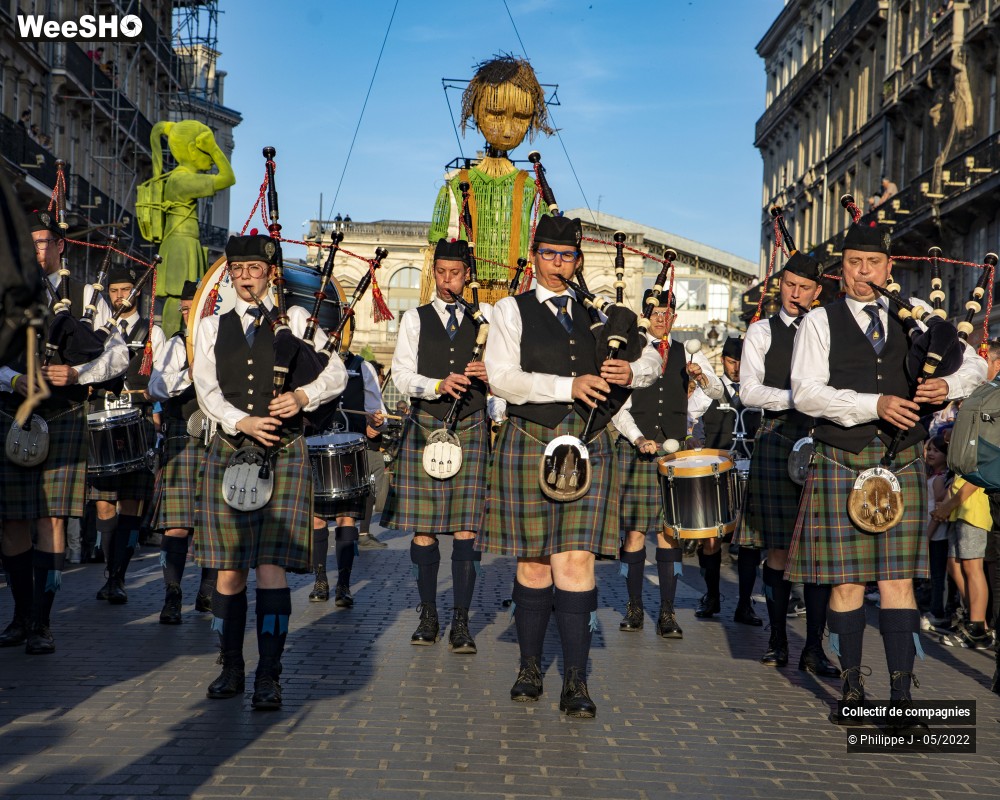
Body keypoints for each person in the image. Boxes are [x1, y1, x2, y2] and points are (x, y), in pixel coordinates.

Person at [787, 220, 985, 728]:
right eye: (853, 263)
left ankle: (901, 702)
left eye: (872, 263)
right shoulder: (819, 322)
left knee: (899, 581)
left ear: (890, 267)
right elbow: (806, 393)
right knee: (847, 582)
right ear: (840, 271)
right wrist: (873, 402)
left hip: (901, 459)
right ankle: (852, 693)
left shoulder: (915, 317)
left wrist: (945, 386)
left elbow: (976, 368)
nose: (863, 272)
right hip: (840, 458)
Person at [480, 215, 662, 718]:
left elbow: (653, 363)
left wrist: (631, 370)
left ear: (578, 261)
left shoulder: (603, 314)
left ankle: (576, 680)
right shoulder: (508, 310)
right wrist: (569, 386)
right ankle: (530, 667)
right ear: (534, 258)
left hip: (590, 442)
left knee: (576, 560)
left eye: (566, 256)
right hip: (529, 437)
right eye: (548, 255)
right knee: (535, 561)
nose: (557, 264)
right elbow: (502, 378)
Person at [192, 233, 347, 709]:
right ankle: (232, 666)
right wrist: (243, 421)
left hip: (285, 451)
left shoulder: (297, 320)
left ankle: (269, 674)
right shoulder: (212, 327)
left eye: (254, 270)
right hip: (231, 450)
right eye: (236, 270)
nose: (244, 278)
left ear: (269, 274)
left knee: (270, 569)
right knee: (228, 573)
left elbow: (336, 372)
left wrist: (302, 397)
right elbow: (206, 389)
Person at [0, 210, 128, 654]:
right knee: (12, 520)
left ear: (59, 246)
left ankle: (41, 621)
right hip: (12, 412)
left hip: (62, 414)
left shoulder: (88, 295)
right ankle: (19, 615)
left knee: (51, 518)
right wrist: (12, 379)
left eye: (41, 242)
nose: (34, 250)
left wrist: (77, 372)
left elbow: (118, 357)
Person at [381, 238, 500, 654]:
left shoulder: (487, 319)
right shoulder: (416, 318)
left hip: (470, 425)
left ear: (468, 275)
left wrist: (491, 379)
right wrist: (437, 384)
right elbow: (400, 374)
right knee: (425, 528)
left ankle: (462, 623)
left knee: (468, 529)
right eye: (441, 273)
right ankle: (429, 614)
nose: (447, 281)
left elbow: (505, 378)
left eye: (455, 273)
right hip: (427, 423)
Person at [737, 252, 838, 675]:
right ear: (780, 284)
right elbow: (749, 392)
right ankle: (778, 640)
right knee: (778, 547)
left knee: (820, 551)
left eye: (805, 288)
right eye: (789, 285)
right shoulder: (761, 331)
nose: (795, 294)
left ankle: (814, 647)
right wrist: (803, 398)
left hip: (825, 441)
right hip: (778, 438)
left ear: (818, 291)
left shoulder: (832, 329)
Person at [613, 292, 722, 639]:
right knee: (633, 534)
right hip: (637, 452)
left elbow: (718, 392)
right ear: (645, 316)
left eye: (667, 312)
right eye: (655, 312)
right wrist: (637, 439)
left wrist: (700, 377)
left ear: (674, 317)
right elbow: (618, 408)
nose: (661, 318)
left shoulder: (687, 352)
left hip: (674, 460)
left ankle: (668, 613)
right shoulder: (633, 351)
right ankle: (634, 608)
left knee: (669, 535)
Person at [88, 265, 166, 604]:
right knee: (104, 504)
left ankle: (118, 577)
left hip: (138, 424)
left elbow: (160, 378)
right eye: (115, 290)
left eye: (126, 290)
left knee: (132, 505)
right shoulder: (95, 329)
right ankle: (109, 571)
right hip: (102, 421)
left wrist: (151, 397)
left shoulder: (154, 333)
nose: (121, 295)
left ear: (138, 292)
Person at [147, 280, 217, 623]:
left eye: (201, 306)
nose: (194, 313)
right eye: (189, 308)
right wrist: (191, 374)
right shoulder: (176, 344)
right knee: (177, 525)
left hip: (221, 437)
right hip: (183, 437)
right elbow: (156, 386)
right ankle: (172, 596)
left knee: (213, 522)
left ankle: (206, 594)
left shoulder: (225, 340)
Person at [688, 336, 762, 624]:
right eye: (732, 361)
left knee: (748, 543)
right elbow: (690, 420)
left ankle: (745, 604)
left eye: (742, 362)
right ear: (724, 360)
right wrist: (696, 444)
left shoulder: (757, 390)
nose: (737, 367)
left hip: (750, 470)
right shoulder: (710, 389)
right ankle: (712, 596)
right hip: (716, 472)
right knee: (711, 538)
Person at [308, 348, 386, 607]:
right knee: (316, 520)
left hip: (349, 456)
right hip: (315, 451)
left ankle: (344, 584)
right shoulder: (309, 357)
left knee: (346, 519)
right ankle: (320, 580)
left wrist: (376, 424)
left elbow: (378, 413)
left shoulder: (363, 367)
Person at [932, 470, 993, 649]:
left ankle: (978, 629)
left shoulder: (974, 443)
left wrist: (948, 505)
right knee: (954, 566)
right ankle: (976, 619)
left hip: (972, 511)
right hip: (958, 511)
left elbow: (976, 479)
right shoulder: (959, 448)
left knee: (972, 567)